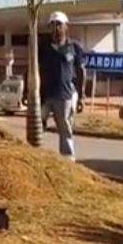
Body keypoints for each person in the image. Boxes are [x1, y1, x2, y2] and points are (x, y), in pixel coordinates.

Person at [38, 11, 85, 160]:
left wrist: (81, 96)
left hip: (64, 95)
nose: (55, 28)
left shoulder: (74, 47)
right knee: (38, 124)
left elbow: (81, 70)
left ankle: (68, 159)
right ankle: (35, 154)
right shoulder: (44, 47)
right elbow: (35, 68)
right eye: (52, 25)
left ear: (66, 26)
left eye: (59, 24)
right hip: (45, 96)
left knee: (65, 128)